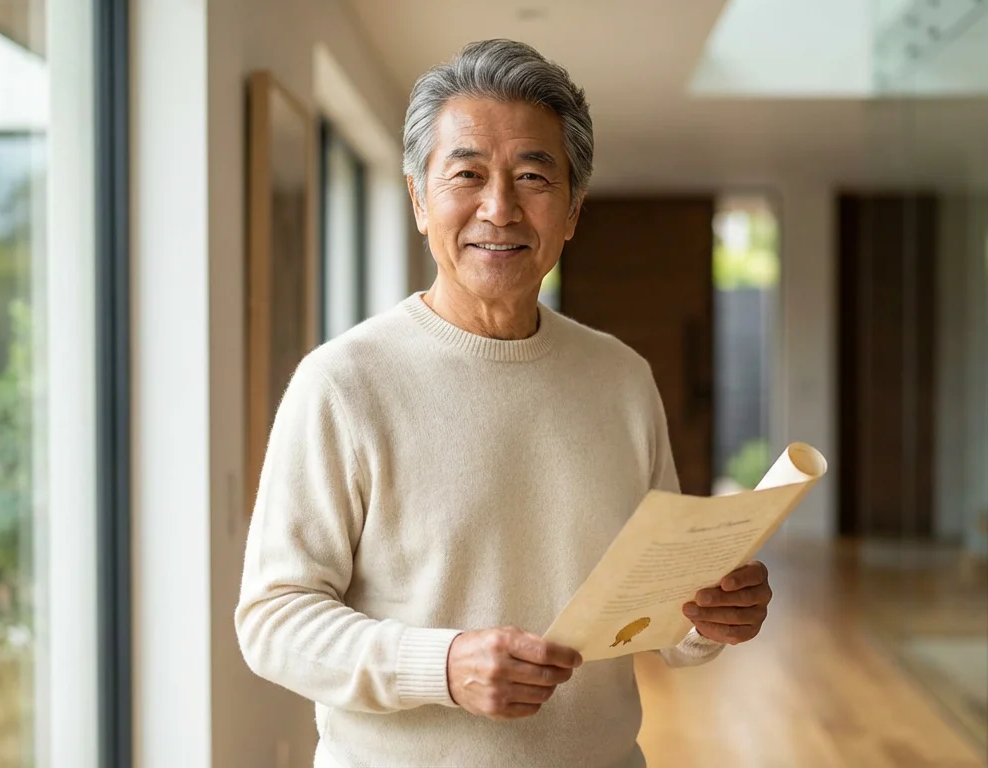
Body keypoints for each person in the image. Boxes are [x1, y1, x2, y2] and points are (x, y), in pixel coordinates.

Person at [235, 38, 774, 768]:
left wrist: (711, 616)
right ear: (419, 198)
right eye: (467, 174)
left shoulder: (621, 377)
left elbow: (664, 620)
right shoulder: (343, 383)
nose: (500, 207)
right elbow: (272, 620)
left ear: (573, 210)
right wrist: (443, 665)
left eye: (532, 176)